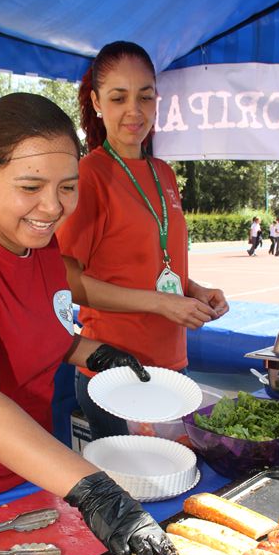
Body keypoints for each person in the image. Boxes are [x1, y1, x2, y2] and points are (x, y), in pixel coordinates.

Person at [0, 92, 191, 555]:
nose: (53, 207)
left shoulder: (37, 239)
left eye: (68, 187)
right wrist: (98, 494)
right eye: (31, 186)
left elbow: (45, 329)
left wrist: (94, 352)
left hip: (32, 468)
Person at [56, 41, 228, 440]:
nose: (134, 111)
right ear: (98, 102)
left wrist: (194, 290)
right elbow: (66, 281)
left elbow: (153, 263)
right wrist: (162, 303)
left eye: (145, 97)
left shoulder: (163, 173)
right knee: (134, 494)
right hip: (116, 370)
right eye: (118, 98)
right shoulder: (89, 175)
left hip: (172, 366)